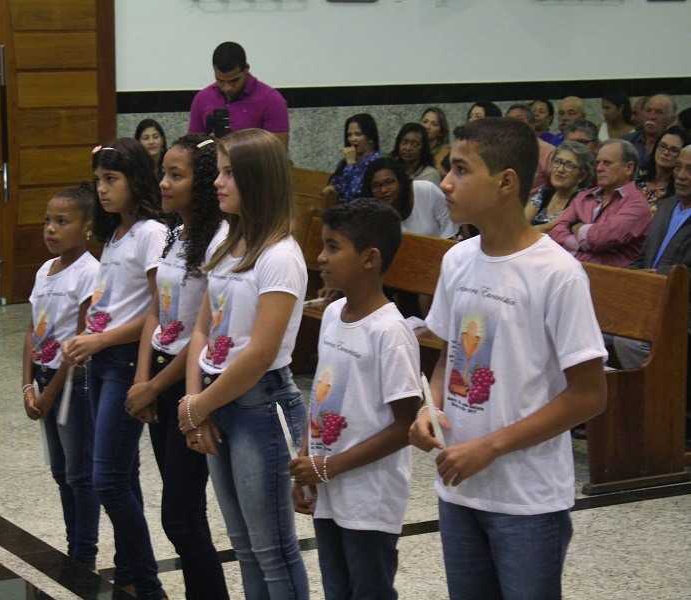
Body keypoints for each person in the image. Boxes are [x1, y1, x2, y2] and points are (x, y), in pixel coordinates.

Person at [409, 117, 608, 600]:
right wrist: (429, 406)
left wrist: (491, 447)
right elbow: (448, 358)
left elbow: (589, 395)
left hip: (526, 500)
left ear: (506, 182)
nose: (446, 184)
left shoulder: (557, 274)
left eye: (461, 170)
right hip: (459, 488)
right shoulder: (457, 259)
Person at [178, 128, 309, 599]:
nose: (217, 182)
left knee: (272, 549)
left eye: (230, 173)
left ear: (258, 180)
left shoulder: (280, 256)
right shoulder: (223, 238)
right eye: (220, 171)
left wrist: (200, 406)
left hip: (259, 406)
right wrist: (194, 402)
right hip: (217, 398)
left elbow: (259, 353)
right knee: (244, 547)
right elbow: (202, 328)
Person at [290, 198, 421, 600]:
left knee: (369, 590)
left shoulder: (390, 333)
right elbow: (322, 396)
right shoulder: (332, 315)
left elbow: (406, 426)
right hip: (329, 487)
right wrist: (307, 459)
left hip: (369, 498)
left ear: (370, 258)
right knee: (337, 589)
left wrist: (330, 466)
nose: (320, 257)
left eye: (333, 247)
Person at [124, 135, 230, 600]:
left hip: (191, 382)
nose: (163, 184)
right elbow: (157, 307)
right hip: (160, 378)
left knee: (181, 517)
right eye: (162, 174)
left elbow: (205, 330)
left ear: (202, 183)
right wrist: (142, 379)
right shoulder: (174, 232)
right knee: (185, 516)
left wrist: (157, 386)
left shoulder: (216, 243)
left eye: (176, 175)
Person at [61, 139, 168, 600]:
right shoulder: (116, 235)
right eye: (98, 181)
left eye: (112, 179)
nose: (102, 189)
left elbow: (158, 312)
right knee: (122, 475)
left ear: (136, 181)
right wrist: (87, 336)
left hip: (125, 363)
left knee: (105, 478)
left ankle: (149, 583)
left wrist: (103, 340)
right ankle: (128, 572)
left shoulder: (151, 233)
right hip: (102, 361)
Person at [22, 183, 101, 568]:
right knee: (59, 470)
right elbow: (31, 330)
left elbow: (82, 337)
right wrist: (28, 385)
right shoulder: (44, 270)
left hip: (73, 383)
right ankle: (73, 543)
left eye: (62, 221)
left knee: (79, 473)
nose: (51, 229)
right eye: (47, 221)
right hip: (44, 378)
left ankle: (84, 553)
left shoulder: (90, 273)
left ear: (87, 227)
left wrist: (51, 393)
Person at [612, 145, 691, 371]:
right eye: (678, 167)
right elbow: (643, 256)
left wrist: (656, 277)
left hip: (679, 309)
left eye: (690, 170)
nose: (681, 175)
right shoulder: (665, 206)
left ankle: (661, 391)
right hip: (646, 298)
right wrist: (633, 275)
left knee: (628, 342)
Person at [549, 139, 651, 267]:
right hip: (569, 269)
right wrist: (580, 244)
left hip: (608, 276)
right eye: (598, 163)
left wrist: (578, 228)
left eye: (607, 163)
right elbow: (556, 229)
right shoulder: (584, 196)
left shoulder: (637, 205)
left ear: (628, 168)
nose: (599, 168)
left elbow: (601, 239)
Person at [188, 42, 289, 147]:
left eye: (234, 81)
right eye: (220, 80)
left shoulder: (271, 100)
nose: (227, 88)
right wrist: (209, 143)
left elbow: (278, 152)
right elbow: (193, 148)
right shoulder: (202, 98)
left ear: (246, 69)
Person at [362, 157, 456, 238]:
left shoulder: (426, 190)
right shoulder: (373, 211)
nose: (383, 190)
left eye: (389, 182)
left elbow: (450, 228)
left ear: (401, 182)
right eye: (376, 185)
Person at [525, 140, 596, 233]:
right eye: (557, 162)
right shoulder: (544, 192)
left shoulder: (582, 200)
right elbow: (521, 223)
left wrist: (525, 232)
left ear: (582, 176)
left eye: (569, 165)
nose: (560, 169)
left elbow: (550, 228)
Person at [322, 114, 382, 203]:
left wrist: (351, 165)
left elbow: (354, 194)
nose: (352, 139)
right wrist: (332, 188)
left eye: (358, 134)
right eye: (349, 135)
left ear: (370, 138)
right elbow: (337, 185)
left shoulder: (378, 163)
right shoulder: (346, 161)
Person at [635, 126, 691, 213]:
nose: (666, 152)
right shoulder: (637, 175)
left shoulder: (681, 188)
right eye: (663, 146)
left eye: (673, 150)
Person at [506, 103, 554, 194]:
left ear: (532, 125)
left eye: (519, 120)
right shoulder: (500, 150)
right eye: (509, 121)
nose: (513, 125)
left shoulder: (548, 151)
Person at [625, 94, 677, 166]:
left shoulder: (677, 145)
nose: (651, 117)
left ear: (671, 119)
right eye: (648, 111)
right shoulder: (627, 141)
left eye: (659, 112)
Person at [422, 107, 451, 172]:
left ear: (441, 132)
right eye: (425, 122)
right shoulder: (413, 150)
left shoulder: (447, 153)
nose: (427, 127)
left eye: (434, 124)